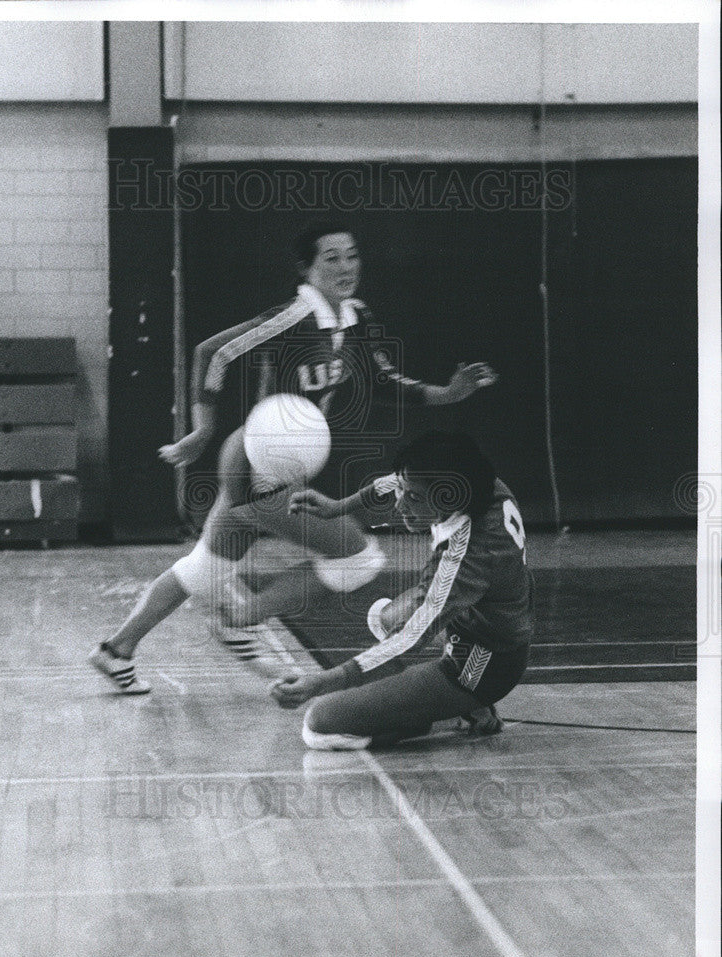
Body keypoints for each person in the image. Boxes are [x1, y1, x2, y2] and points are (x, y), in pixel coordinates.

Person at [90, 224, 497, 694]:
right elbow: (212, 353)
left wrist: (448, 393)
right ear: (306, 268)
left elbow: (383, 383)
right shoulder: (293, 316)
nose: (346, 267)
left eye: (352, 255)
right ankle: (238, 621)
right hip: (259, 468)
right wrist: (202, 428)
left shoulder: (355, 317)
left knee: (203, 570)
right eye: (331, 259)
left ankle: (116, 651)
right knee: (359, 560)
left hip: (261, 461)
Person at [273, 430, 534, 749]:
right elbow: (397, 479)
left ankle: (454, 710)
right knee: (383, 617)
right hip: (476, 622)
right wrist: (338, 506)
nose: (399, 504)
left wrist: (323, 682)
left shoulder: (468, 555)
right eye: (404, 493)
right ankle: (438, 703)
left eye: (413, 498)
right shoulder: (480, 482)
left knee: (320, 724)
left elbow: (409, 638)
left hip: (480, 666)